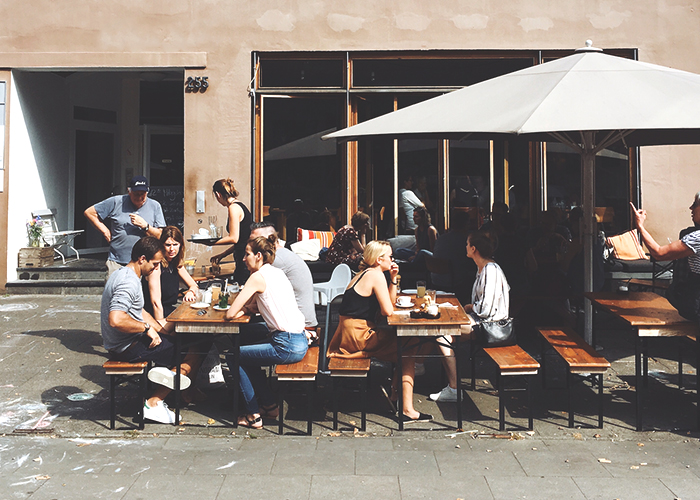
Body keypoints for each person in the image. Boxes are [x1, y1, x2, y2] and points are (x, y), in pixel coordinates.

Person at [327, 240, 433, 422]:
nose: (393, 259)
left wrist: (393, 278)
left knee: (407, 343)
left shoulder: (368, 273)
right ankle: (406, 408)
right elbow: (387, 311)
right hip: (359, 335)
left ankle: (395, 395)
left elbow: (389, 304)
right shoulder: (375, 276)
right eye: (390, 256)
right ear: (378, 260)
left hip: (350, 332)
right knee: (409, 345)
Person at [101, 237, 201, 424]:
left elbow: (139, 310)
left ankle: (171, 381)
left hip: (125, 341)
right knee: (194, 352)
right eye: (154, 264)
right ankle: (155, 401)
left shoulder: (125, 273)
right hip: (125, 347)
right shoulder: (128, 282)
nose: (156, 269)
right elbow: (116, 319)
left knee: (177, 339)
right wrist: (146, 328)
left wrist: (161, 330)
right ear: (141, 259)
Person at [224, 236, 308, 429]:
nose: (244, 259)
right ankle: (270, 406)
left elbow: (230, 314)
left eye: (247, 254)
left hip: (285, 344)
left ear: (258, 255)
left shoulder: (257, 277)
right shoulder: (277, 273)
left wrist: (242, 309)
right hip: (298, 340)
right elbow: (254, 306)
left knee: (233, 355)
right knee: (246, 352)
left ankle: (253, 415)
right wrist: (247, 308)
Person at [430, 230, 510, 402]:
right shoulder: (482, 269)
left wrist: (469, 307)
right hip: (484, 322)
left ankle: (453, 388)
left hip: (492, 326)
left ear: (474, 249)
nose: (465, 247)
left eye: (467, 244)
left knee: (441, 333)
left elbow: (486, 309)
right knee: (444, 331)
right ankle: (449, 384)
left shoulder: (491, 270)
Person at [632, 196, 700, 321]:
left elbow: (659, 253)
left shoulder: (697, 238)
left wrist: (640, 226)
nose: (691, 208)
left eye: (695, 204)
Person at [84, 176, 166, 276]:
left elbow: (159, 235)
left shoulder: (155, 206)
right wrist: (105, 231)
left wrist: (145, 226)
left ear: (147, 192)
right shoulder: (117, 201)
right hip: (117, 262)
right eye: (136, 194)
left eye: (143, 194)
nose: (140, 198)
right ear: (129, 191)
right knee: (114, 290)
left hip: (144, 264)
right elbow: (90, 212)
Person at [143, 226, 200, 322]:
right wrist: (161, 327)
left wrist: (191, 292)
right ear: (161, 245)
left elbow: (194, 285)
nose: (172, 249)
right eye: (168, 245)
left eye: (175, 244)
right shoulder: (156, 266)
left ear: (180, 245)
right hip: (155, 314)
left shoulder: (176, 263)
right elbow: (156, 303)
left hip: (170, 310)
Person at [210, 178, 253, 284]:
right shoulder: (240, 205)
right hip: (243, 256)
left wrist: (209, 242)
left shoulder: (233, 208)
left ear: (218, 194)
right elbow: (241, 239)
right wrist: (222, 255)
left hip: (243, 259)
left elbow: (234, 238)